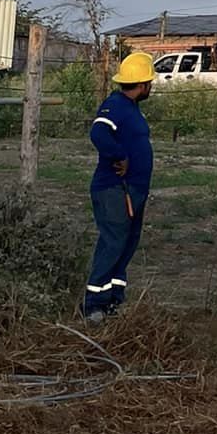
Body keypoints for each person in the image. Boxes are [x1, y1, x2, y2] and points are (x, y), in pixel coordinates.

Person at [82, 50, 154, 321]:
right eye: (150, 83)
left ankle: (113, 299)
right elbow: (98, 132)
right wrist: (119, 156)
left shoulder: (131, 108)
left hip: (133, 190)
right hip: (115, 189)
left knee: (126, 243)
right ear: (143, 84)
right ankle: (94, 305)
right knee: (113, 242)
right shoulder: (115, 105)